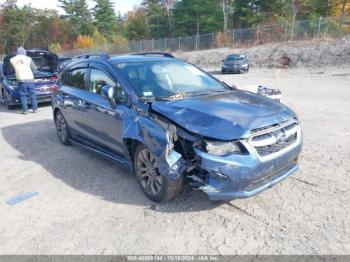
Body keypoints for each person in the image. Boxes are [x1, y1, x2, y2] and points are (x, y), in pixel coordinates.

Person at [10, 47, 38, 114]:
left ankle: (25, 111)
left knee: (23, 95)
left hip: (21, 80)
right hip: (30, 79)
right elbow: (35, 69)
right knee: (32, 94)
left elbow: (11, 70)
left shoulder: (12, 59)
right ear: (24, 52)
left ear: (17, 52)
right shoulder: (28, 58)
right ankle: (35, 109)